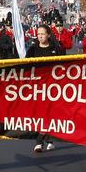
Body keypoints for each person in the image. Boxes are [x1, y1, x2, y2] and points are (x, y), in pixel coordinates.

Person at [26, 24, 64, 153]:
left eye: (42, 34)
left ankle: (39, 141)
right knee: (40, 114)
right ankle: (47, 139)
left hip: (52, 86)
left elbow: (63, 66)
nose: (40, 36)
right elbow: (26, 67)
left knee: (48, 113)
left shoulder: (56, 49)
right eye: (38, 34)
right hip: (37, 87)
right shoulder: (32, 50)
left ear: (48, 34)